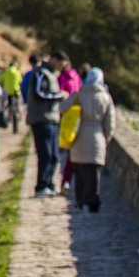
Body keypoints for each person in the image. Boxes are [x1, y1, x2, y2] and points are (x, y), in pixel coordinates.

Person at [63, 67, 116, 212]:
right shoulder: (105, 97)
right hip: (97, 135)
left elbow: (62, 108)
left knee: (79, 170)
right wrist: (105, 139)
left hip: (78, 135)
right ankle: (93, 200)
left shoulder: (78, 94)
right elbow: (110, 123)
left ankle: (80, 200)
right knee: (94, 171)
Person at [26, 51, 68, 195]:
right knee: (45, 154)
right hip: (41, 118)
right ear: (55, 60)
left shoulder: (52, 74)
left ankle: (49, 183)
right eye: (61, 64)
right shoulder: (41, 73)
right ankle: (41, 186)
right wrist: (58, 96)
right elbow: (39, 94)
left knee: (54, 155)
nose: (62, 68)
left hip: (52, 119)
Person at [56, 58, 83, 192]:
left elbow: (60, 96)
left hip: (68, 116)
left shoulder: (61, 78)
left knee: (70, 152)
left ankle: (66, 181)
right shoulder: (76, 76)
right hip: (79, 116)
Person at [0, 60, 23, 129]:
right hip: (16, 91)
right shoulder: (18, 72)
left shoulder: (6, 72)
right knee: (18, 103)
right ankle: (20, 115)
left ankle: (10, 117)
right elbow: (20, 80)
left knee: (9, 105)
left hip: (9, 92)